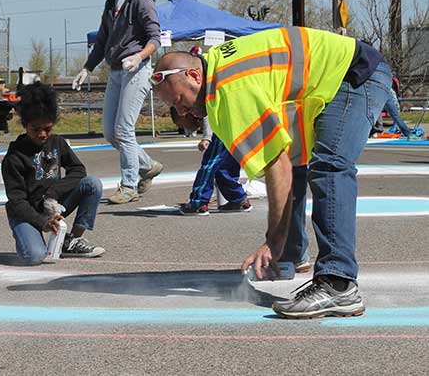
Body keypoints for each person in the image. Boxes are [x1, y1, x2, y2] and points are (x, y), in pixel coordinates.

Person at [152, 27, 392, 319]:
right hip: (334, 77)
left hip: (355, 74)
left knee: (330, 165)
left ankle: (338, 284)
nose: (184, 111)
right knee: (298, 161)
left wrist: (272, 240)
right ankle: (293, 256)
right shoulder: (218, 69)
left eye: (179, 100)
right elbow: (287, 163)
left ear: (194, 76)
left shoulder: (231, 88)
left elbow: (276, 165)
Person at [72, 0, 163, 204]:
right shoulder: (112, 1)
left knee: (124, 129)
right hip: (115, 70)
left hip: (137, 69)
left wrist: (140, 57)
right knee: (111, 133)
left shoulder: (142, 0)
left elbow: (155, 37)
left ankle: (129, 185)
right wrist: (86, 68)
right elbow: (102, 40)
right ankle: (148, 166)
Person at [2, 83, 105, 266]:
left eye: (47, 129)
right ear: (25, 125)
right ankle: (27, 235)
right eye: (36, 129)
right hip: (26, 211)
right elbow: (17, 201)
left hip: (52, 204)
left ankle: (70, 240)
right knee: (34, 257)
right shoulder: (14, 157)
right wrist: (43, 222)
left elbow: (78, 170)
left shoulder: (57, 143)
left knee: (92, 184)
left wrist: (54, 193)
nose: (43, 134)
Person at [170, 108, 252, 216]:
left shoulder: (197, 103)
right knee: (225, 167)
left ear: (185, 115)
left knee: (209, 166)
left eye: (183, 125)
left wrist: (207, 138)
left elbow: (208, 114)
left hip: (220, 130)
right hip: (233, 126)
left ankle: (198, 202)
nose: (186, 129)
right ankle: (238, 199)